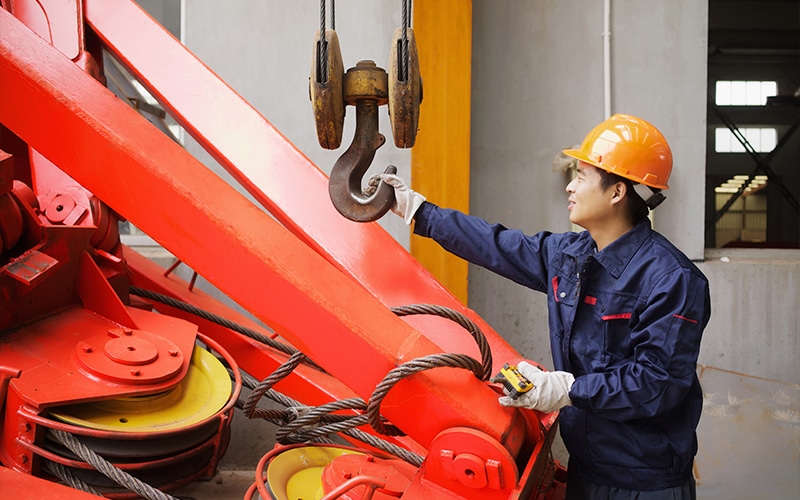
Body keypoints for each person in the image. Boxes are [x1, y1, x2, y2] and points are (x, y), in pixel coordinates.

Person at [377, 114, 710, 499]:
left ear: (617, 192)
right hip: (587, 472)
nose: (570, 186)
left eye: (581, 176)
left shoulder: (673, 279)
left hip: (645, 486)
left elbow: (656, 384)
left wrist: (567, 390)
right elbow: (496, 244)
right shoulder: (571, 255)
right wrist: (418, 211)